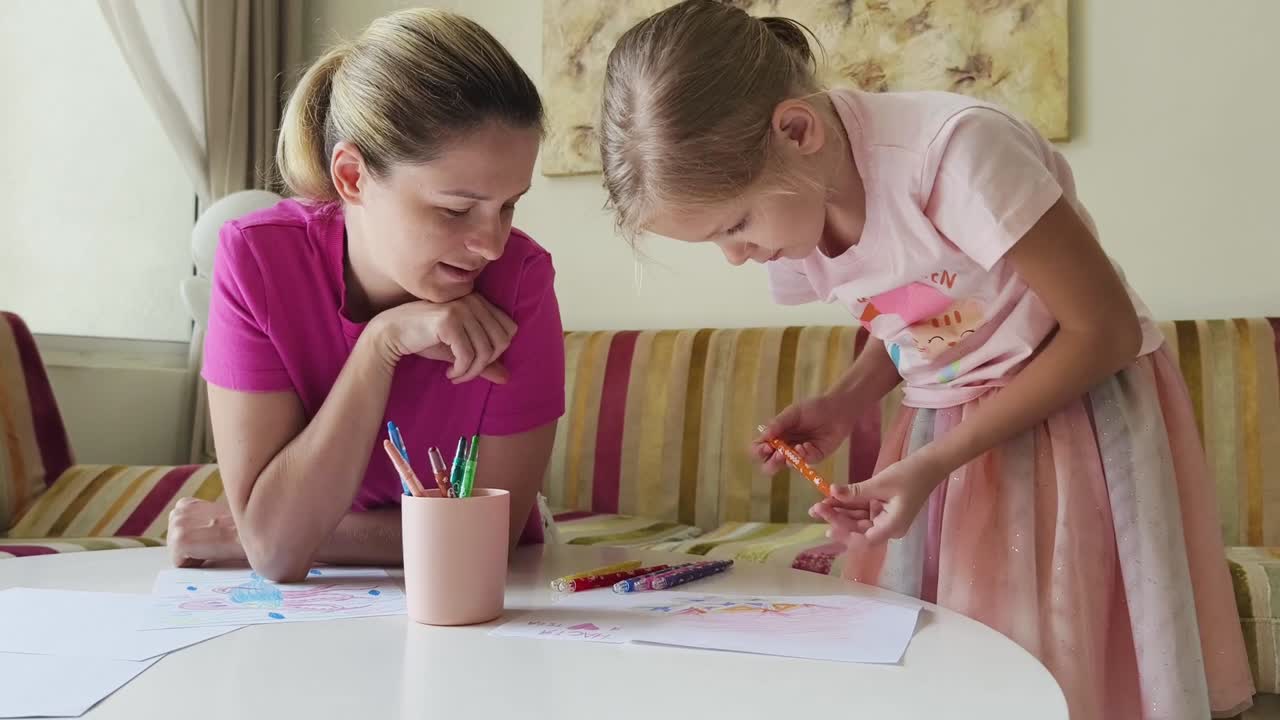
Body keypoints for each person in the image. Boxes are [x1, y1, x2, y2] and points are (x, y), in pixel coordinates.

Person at [595, 1, 1254, 717]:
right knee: (955, 667)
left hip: (1077, 411)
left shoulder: (958, 155)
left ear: (797, 130)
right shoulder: (797, 211)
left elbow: (1106, 330)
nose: (735, 256)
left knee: (1066, 662)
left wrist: (937, 464)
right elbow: (917, 308)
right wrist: (848, 398)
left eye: (736, 225)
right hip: (949, 427)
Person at [167, 8, 565, 584]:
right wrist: (381, 344)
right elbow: (277, 553)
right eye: (455, 210)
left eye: (509, 205)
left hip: (499, 593)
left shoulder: (520, 282)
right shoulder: (258, 261)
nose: (492, 246)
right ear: (352, 177)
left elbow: (486, 535)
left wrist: (254, 530)